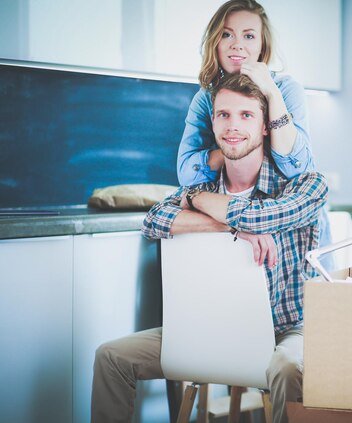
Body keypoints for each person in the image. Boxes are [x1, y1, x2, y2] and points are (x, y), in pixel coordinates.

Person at [90, 74, 328, 423]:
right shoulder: (199, 186)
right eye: (224, 115)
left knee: (289, 367)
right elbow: (154, 220)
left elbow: (264, 216)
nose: (233, 126)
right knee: (111, 357)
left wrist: (207, 210)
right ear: (213, 122)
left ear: (265, 127)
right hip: (208, 329)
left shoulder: (305, 183)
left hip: (286, 330)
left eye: (246, 115)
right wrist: (230, 224)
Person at [177, 0, 333, 266]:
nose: (237, 44)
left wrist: (271, 92)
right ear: (216, 41)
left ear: (262, 45)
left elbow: (297, 166)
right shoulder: (205, 99)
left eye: (249, 36)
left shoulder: (285, 89)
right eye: (227, 34)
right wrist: (233, 146)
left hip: (293, 227)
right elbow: (188, 174)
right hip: (235, 224)